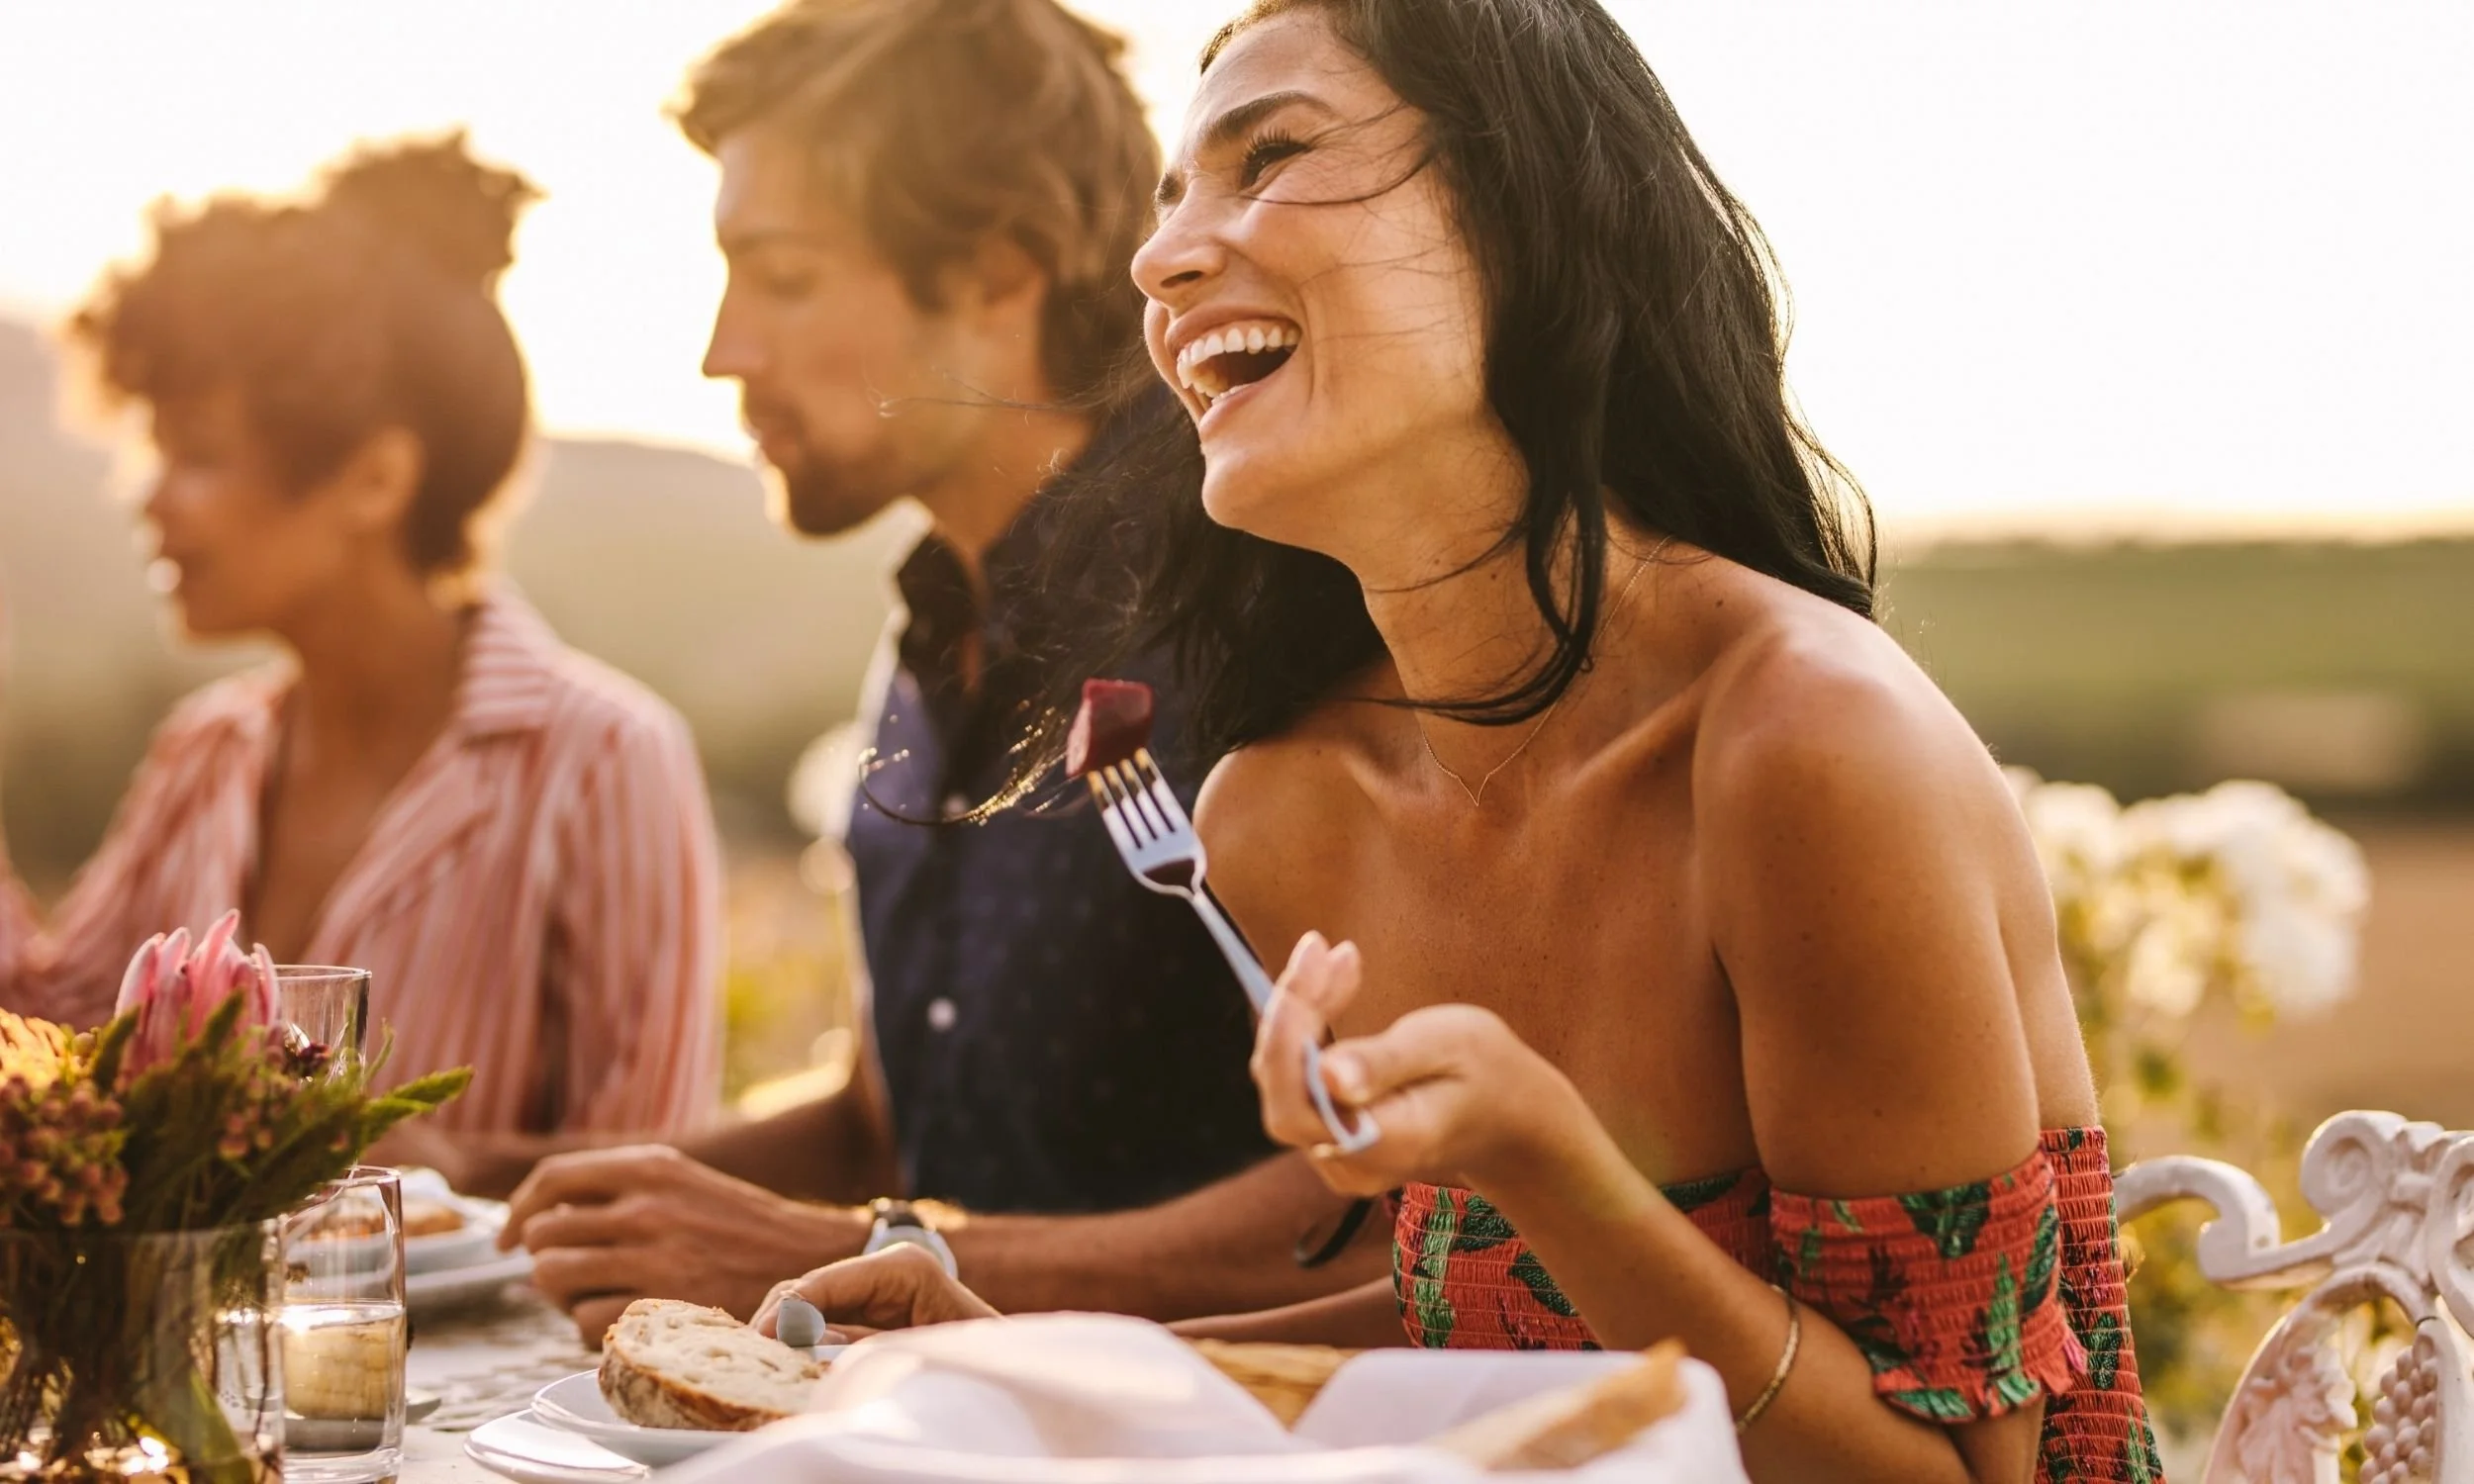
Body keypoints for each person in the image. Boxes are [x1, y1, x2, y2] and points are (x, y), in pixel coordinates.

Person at [762, 1, 2162, 1480]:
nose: (1157, 259)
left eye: (1274, 155)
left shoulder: (1808, 748)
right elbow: (1493, 1340)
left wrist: (1542, 1158)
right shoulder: (1285, 816)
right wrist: (1010, 1359)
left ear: (1524, 207)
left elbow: (1959, 1474)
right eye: (1173, 201)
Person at [498, 0, 1386, 1345]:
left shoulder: (1279, 604)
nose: (722, 350)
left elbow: (1406, 1201)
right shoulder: (925, 638)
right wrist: (505, 1193)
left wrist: (865, 1248)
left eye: (781, 276)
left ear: (996, 270)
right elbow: (885, 1117)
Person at [0, 135, 723, 1148]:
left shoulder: (603, 761)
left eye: (198, 456)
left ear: (377, 480)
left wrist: (443, 1171)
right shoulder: (204, 752)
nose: (148, 498)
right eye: (151, 448)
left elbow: (650, 1174)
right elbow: (45, 1049)